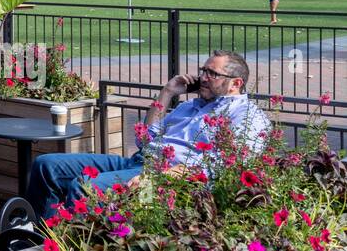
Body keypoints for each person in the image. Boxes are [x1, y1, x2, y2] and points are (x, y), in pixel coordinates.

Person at [26, 51, 270, 215]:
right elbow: (145, 139)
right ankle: (40, 241)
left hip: (164, 175)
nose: (203, 78)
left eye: (212, 74)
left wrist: (160, 177)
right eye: (203, 71)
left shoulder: (248, 117)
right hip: (138, 162)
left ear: (236, 83)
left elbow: (222, 166)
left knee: (85, 185)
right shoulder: (189, 106)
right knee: (46, 165)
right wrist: (167, 92)